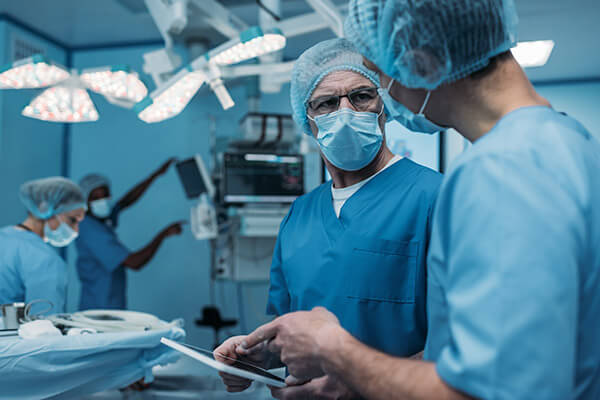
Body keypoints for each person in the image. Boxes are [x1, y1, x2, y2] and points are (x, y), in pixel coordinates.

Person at [237, 1, 600, 399]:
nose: (390, 97)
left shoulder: (505, 170)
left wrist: (341, 358)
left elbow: (496, 390)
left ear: (420, 62)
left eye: (377, 78)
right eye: (326, 103)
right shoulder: (561, 144)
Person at [215, 38, 442, 399]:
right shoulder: (299, 215)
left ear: (385, 103)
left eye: (361, 96)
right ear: (308, 119)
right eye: (326, 103)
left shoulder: (436, 197)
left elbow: (469, 341)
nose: (345, 110)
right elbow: (286, 334)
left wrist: (361, 383)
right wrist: (253, 357)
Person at [76, 159, 183, 311]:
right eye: (95, 197)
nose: (102, 201)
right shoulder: (91, 230)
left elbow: (126, 201)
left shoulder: (101, 219)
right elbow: (135, 262)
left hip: (111, 306)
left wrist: (155, 175)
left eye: (105, 195)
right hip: (99, 312)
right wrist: (163, 235)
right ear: (85, 202)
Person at [0, 177, 86, 314]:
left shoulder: (4, 237)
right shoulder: (44, 259)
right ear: (45, 208)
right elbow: (44, 325)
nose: (76, 231)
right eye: (73, 220)